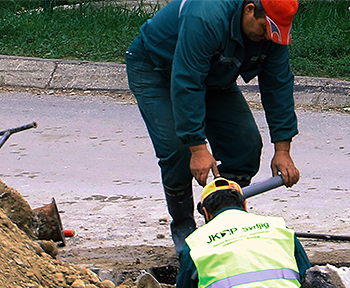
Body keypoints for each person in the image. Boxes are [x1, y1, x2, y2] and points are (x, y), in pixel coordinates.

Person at [125, 0, 302, 252]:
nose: (267, 37)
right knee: (177, 149)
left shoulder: (273, 29)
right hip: (156, 68)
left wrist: (283, 150)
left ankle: (221, 220)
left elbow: (279, 86)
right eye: (264, 29)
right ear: (250, 10)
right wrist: (197, 148)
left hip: (212, 74)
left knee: (245, 144)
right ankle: (184, 228)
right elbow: (187, 81)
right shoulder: (207, 16)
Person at [175, 178, 312, 288]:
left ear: (205, 213)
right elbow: (310, 277)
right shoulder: (278, 226)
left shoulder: (195, 242)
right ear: (245, 205)